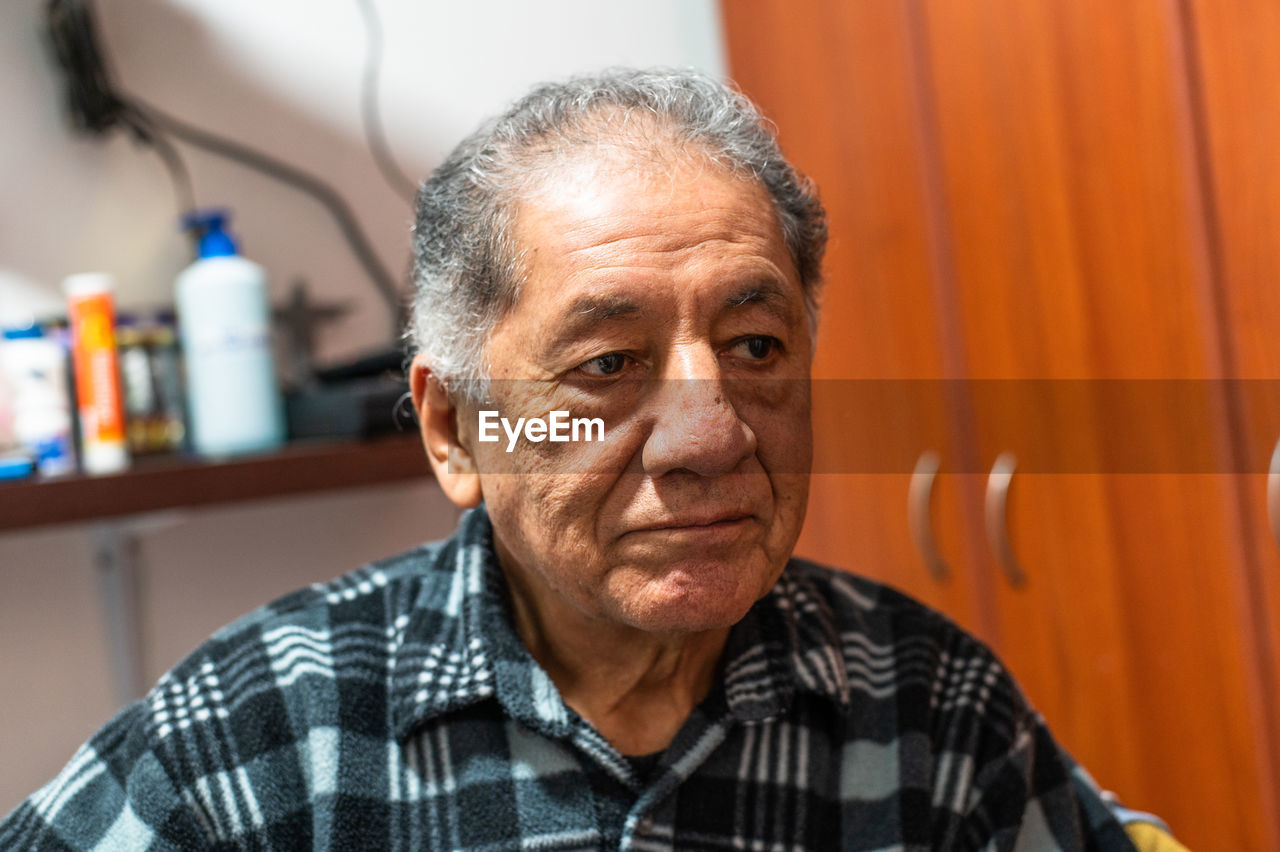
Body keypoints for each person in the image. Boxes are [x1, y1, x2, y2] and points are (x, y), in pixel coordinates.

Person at [1, 68, 1167, 851]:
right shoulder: (262, 739)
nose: (709, 437)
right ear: (456, 430)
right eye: (607, 366)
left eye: (756, 345)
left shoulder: (927, 714)